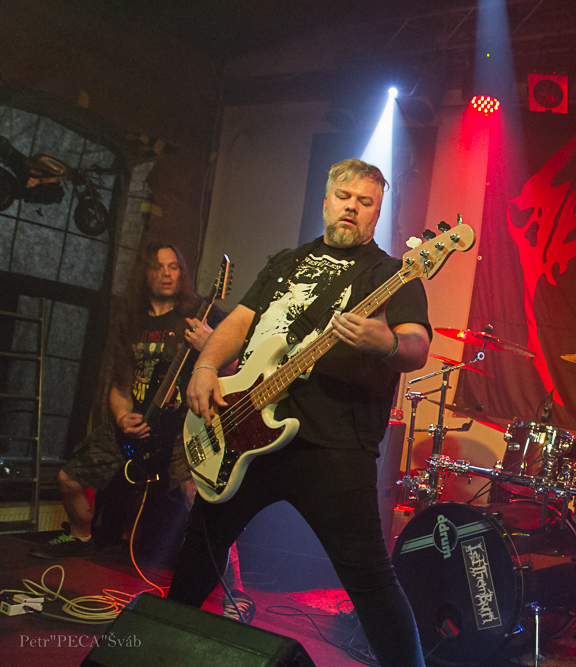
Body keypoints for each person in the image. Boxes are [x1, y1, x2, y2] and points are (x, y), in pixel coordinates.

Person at [170, 158, 429, 666]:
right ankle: (159, 649)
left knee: (369, 579)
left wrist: (386, 342)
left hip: (333, 444)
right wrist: (205, 366)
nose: (352, 207)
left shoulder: (392, 274)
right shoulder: (285, 262)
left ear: (377, 213)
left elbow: (417, 345)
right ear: (326, 200)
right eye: (344, 197)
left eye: (366, 202)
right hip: (244, 426)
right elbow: (240, 322)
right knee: (199, 550)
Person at [30, 242, 253, 622]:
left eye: (173, 266)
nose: (166, 273)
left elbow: (238, 368)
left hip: (186, 423)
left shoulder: (202, 313)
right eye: (158, 266)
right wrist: (122, 417)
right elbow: (119, 385)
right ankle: (80, 537)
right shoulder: (130, 322)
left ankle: (235, 588)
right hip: (139, 422)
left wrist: (210, 347)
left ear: (182, 273)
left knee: (199, 495)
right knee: (68, 478)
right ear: (145, 273)